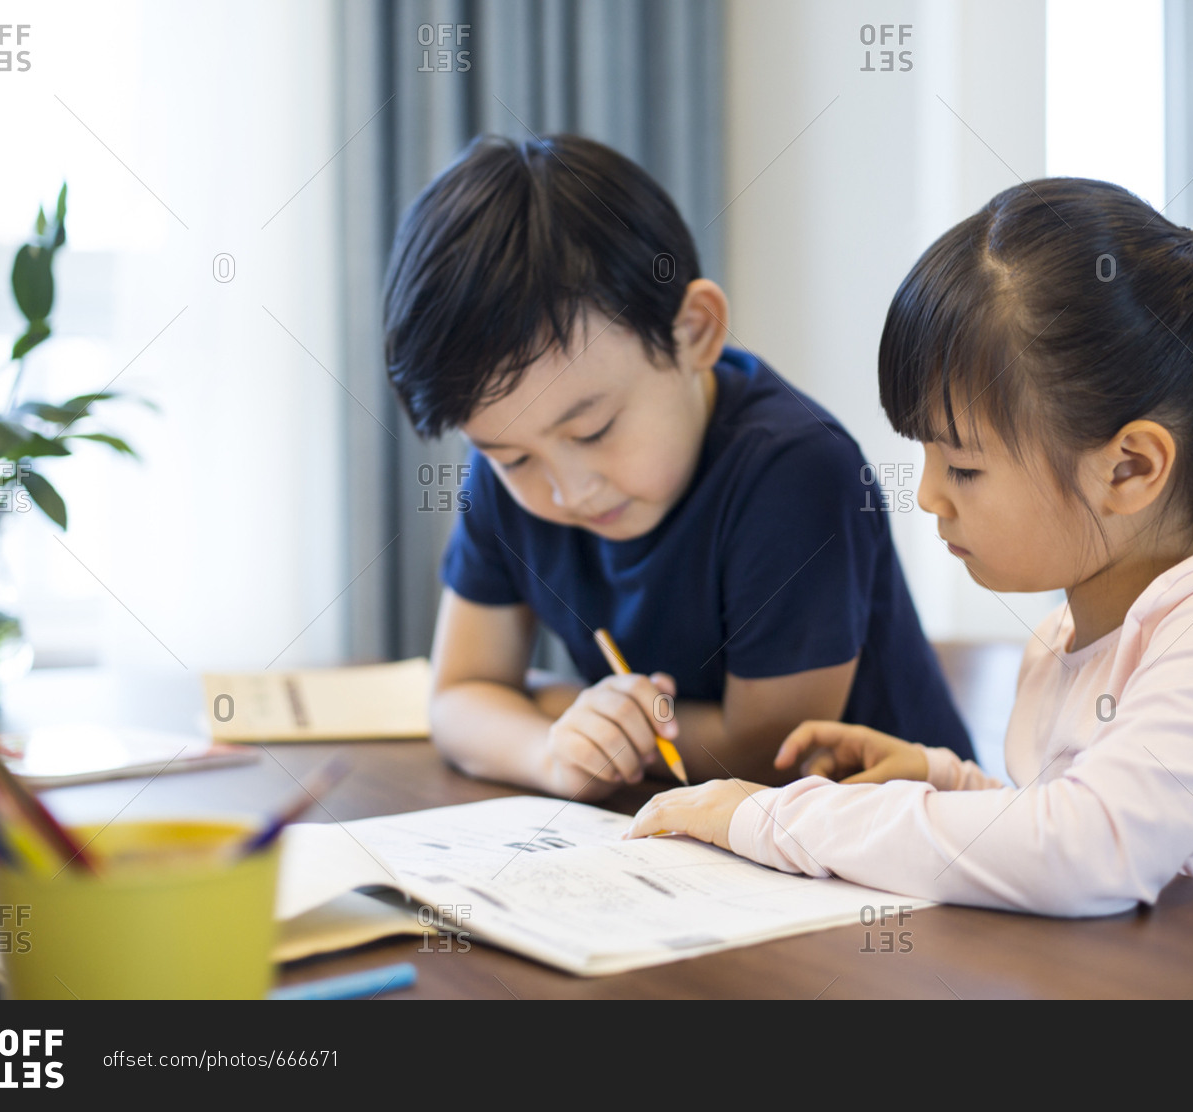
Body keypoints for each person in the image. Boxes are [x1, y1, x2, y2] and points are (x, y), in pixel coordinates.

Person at [628, 178, 1193, 915]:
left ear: (1131, 467)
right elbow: (1057, 822)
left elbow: (1086, 852)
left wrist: (775, 817)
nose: (927, 496)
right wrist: (938, 777)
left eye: (965, 467)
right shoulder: (1058, 642)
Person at [383, 134, 973, 802]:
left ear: (695, 330)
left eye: (594, 429)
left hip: (899, 846)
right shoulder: (507, 476)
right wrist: (552, 750)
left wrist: (558, 707)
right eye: (513, 457)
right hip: (693, 845)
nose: (569, 489)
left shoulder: (798, 471)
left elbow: (765, 754)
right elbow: (459, 695)